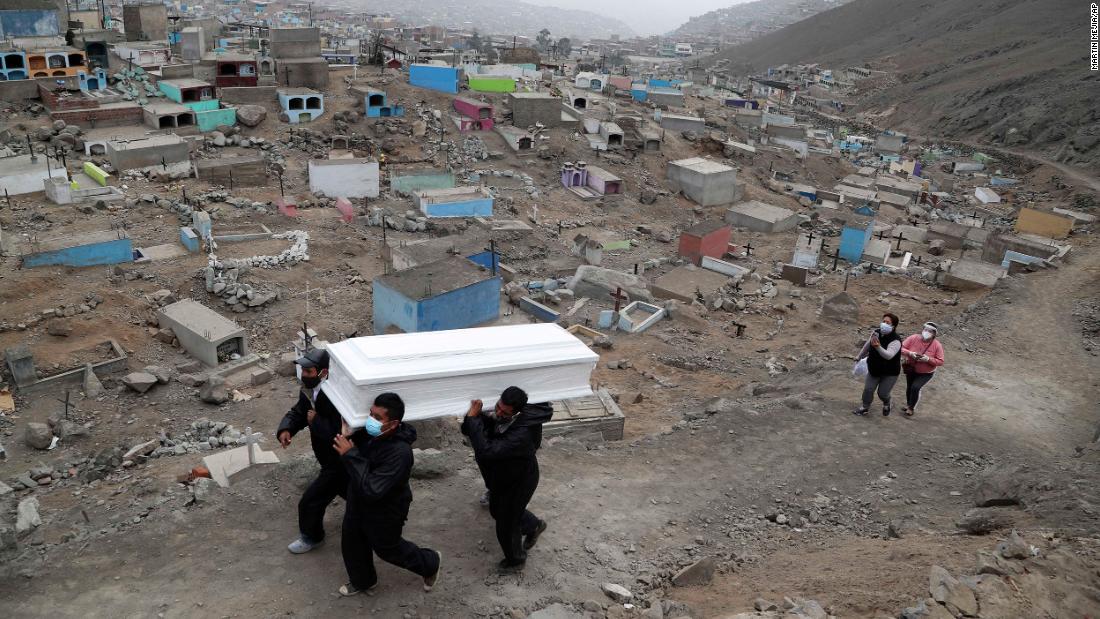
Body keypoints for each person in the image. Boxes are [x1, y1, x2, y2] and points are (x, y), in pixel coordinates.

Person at [334, 393, 442, 596]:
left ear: (392, 424)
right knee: (352, 541)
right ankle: (363, 581)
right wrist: (349, 438)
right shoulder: (369, 435)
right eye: (370, 414)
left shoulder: (400, 453)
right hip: (359, 500)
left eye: (377, 417)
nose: (370, 420)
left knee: (387, 548)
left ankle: (430, 563)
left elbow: (374, 489)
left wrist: (350, 455)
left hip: (385, 508)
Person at [461, 387, 552, 569]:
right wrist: (471, 418)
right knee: (497, 510)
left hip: (519, 480)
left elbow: (487, 451)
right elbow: (468, 429)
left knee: (506, 523)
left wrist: (473, 419)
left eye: (504, 412)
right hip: (504, 475)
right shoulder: (504, 416)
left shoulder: (522, 433)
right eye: (498, 407)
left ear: (517, 412)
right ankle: (533, 526)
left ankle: (515, 560)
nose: (498, 412)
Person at [276, 348, 346, 554]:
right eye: (303, 371)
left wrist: (315, 421)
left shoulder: (337, 396)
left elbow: (339, 431)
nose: (304, 376)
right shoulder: (310, 390)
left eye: (309, 372)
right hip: (328, 459)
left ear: (323, 372)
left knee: (310, 502)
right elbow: (300, 412)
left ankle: (312, 537)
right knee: (353, 492)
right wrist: (286, 428)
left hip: (338, 459)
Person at [855, 313, 902, 417]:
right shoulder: (876, 332)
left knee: (882, 393)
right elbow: (867, 345)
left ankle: (887, 402)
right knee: (868, 389)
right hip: (874, 368)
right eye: (883, 321)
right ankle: (865, 407)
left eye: (887, 322)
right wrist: (859, 356)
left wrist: (878, 347)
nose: (884, 324)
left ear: (893, 326)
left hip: (890, 372)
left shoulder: (896, 340)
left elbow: (889, 355)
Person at [900, 321, 945, 417]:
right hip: (911, 368)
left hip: (926, 372)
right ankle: (909, 405)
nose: (926, 332)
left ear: (934, 334)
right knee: (909, 388)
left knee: (915, 387)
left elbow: (940, 361)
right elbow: (901, 347)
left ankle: (911, 408)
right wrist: (910, 353)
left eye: (930, 331)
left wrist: (928, 359)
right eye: (925, 329)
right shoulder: (913, 338)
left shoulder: (937, 345)